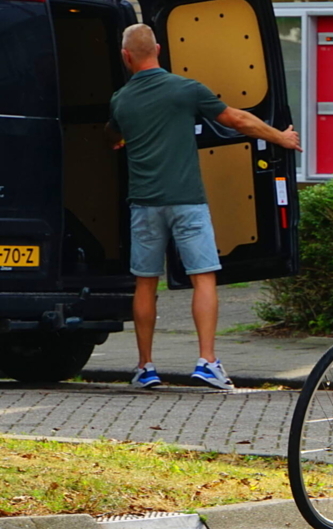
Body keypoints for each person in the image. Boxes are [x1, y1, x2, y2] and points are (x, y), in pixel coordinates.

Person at [107, 24, 302, 390]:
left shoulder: (121, 99)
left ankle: (145, 368)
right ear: (159, 49)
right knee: (203, 277)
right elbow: (238, 120)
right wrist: (281, 137)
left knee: (146, 283)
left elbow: (113, 135)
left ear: (126, 56)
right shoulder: (185, 90)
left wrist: (123, 138)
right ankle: (207, 362)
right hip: (187, 201)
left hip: (144, 204)